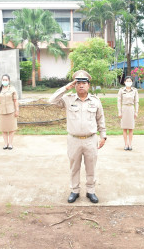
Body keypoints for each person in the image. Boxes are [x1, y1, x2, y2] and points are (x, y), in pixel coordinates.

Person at [49, 70, 106, 204]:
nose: (81, 85)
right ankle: (74, 190)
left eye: (84, 83)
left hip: (90, 140)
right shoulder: (68, 100)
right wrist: (65, 88)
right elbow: (52, 100)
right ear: (74, 85)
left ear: (88, 85)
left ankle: (90, 191)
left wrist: (103, 135)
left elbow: (100, 119)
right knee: (74, 167)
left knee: (91, 166)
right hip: (73, 140)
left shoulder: (95, 101)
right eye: (78, 83)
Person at [0, 74, 19, 150]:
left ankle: (10, 144)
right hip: (1, 112)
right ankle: (5, 143)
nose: (4, 81)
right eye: (3, 80)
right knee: (3, 128)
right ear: (1, 80)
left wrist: (17, 110)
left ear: (9, 81)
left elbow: (15, 101)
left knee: (11, 128)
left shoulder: (12, 89)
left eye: (6, 80)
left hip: (11, 111)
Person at [117, 76, 139, 150]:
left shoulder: (135, 90)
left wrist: (136, 112)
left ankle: (130, 144)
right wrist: (119, 112)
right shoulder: (121, 90)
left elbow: (136, 102)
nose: (128, 82)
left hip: (131, 109)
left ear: (132, 82)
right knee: (124, 128)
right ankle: (126, 144)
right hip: (124, 109)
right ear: (124, 82)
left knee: (131, 128)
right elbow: (119, 101)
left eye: (130, 81)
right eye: (127, 81)